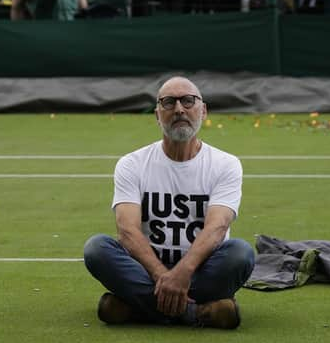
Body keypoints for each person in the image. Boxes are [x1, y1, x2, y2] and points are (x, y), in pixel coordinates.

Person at [84, 76, 255, 329]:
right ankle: (197, 312)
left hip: (200, 270)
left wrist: (183, 274)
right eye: (168, 103)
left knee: (241, 254)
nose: (179, 109)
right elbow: (127, 231)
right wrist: (163, 277)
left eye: (188, 101)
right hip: (146, 269)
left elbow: (217, 228)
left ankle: (137, 309)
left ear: (203, 110)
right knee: (97, 249)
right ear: (157, 114)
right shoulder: (132, 164)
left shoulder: (225, 164)